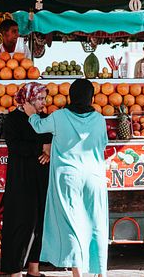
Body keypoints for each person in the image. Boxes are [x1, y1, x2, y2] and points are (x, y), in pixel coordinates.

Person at [24, 79, 109, 277]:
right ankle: (100, 273)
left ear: (71, 96)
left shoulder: (59, 116)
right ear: (91, 97)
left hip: (68, 179)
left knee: (72, 225)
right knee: (97, 223)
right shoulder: (99, 119)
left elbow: (38, 127)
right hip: (94, 177)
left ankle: (78, 274)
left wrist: (30, 115)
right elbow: (102, 144)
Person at [0, 83, 52, 277]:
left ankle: (33, 269)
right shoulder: (13, 119)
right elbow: (15, 147)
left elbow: (50, 140)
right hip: (21, 178)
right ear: (27, 99)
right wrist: (41, 149)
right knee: (19, 223)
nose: (43, 103)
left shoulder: (45, 119)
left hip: (41, 176)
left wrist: (46, 148)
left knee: (40, 222)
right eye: (40, 99)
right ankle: (14, 270)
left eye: (44, 99)